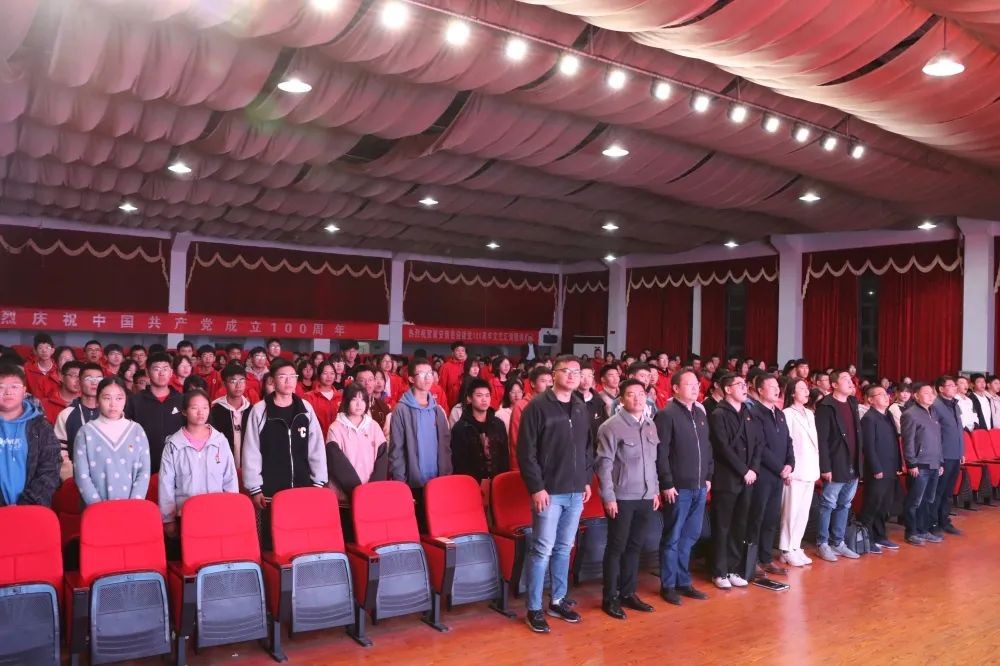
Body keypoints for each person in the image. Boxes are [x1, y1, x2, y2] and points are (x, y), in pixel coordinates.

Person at [518, 355, 593, 633]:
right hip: (549, 492)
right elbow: (526, 452)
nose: (572, 375)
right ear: (554, 374)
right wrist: (536, 487)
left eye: (577, 371)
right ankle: (534, 608)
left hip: (575, 490)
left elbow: (587, 448)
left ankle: (558, 600)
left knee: (564, 548)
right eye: (566, 370)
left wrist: (586, 479)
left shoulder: (580, 406)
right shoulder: (538, 406)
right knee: (542, 550)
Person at [242, 359, 327, 549]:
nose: (288, 381)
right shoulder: (260, 410)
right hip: (270, 491)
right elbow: (251, 450)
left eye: (292, 376)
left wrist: (318, 481)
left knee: (300, 539)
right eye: (282, 377)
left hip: (302, 488)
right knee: (272, 543)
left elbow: (316, 447)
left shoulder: (305, 408)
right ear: (272, 380)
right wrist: (255, 488)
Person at [595, 379, 659, 619]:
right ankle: (610, 597)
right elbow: (604, 466)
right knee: (616, 547)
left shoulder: (650, 424)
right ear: (621, 399)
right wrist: (608, 497)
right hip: (621, 497)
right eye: (631, 394)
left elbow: (653, 461)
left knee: (635, 546)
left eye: (641, 394)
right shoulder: (610, 427)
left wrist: (655, 490)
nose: (637, 398)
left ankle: (628, 592)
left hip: (646, 495)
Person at [654, 369, 712, 605]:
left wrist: (708, 475)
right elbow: (661, 453)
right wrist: (666, 482)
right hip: (678, 488)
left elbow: (707, 447)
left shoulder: (700, 412)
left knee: (691, 535)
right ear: (676, 388)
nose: (695, 388)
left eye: (697, 384)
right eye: (689, 384)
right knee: (673, 536)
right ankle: (668, 585)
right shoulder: (666, 414)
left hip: (699, 485)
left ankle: (683, 580)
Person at [159, 389, 238, 551]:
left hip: (217, 513)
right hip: (185, 515)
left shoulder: (220, 441)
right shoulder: (174, 445)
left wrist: (231, 510)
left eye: (205, 407)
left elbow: (230, 478)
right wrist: (168, 519)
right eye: (194, 408)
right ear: (184, 411)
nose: (201, 412)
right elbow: (166, 484)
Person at [708, 374, 761, 590]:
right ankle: (719, 571)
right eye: (739, 385)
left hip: (748, 478)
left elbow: (758, 443)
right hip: (727, 478)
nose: (744, 388)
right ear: (727, 389)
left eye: (745, 384)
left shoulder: (748, 412)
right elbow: (722, 447)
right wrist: (743, 470)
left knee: (740, 524)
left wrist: (753, 469)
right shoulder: (718, 414)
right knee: (723, 526)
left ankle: (734, 568)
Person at [73, 376, 151, 505]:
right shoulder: (86, 432)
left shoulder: (137, 430)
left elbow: (143, 472)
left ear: (125, 400)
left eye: (119, 398)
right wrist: (98, 508)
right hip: (96, 510)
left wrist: (133, 505)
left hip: (131, 508)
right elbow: (82, 476)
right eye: (107, 398)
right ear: (97, 400)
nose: (113, 404)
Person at [388, 357, 452, 514]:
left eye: (430, 373)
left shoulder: (437, 410)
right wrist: (401, 484)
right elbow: (397, 450)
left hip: (437, 481)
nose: (428, 377)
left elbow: (445, 448)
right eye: (422, 374)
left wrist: (446, 476)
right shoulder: (401, 410)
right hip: (413, 482)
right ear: (411, 378)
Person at [325, 383, 387, 538]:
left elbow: (382, 459)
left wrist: (370, 491)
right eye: (354, 399)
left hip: (371, 497)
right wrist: (358, 492)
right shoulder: (335, 428)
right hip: (345, 498)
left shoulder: (373, 426)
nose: (359, 404)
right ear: (346, 401)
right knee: (348, 538)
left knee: (370, 538)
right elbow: (337, 463)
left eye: (362, 399)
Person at [748, 373, 795, 576]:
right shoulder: (754, 413)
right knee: (756, 517)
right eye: (772, 386)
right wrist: (780, 468)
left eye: (778, 386)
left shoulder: (780, 413)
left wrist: (790, 464)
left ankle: (766, 558)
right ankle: (752, 561)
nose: (777, 390)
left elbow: (788, 441)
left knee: (771, 518)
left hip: (778, 475)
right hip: (763, 474)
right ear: (760, 390)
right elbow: (760, 446)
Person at [813, 369, 862, 562]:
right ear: (834, 385)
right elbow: (822, 440)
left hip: (853, 462)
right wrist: (825, 467)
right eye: (845, 379)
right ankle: (822, 543)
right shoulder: (826, 406)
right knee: (828, 504)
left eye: (851, 379)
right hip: (836, 462)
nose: (851, 382)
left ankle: (838, 541)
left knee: (845, 504)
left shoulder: (852, 402)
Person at [0, 364, 60, 507]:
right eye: (1, 387)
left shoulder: (41, 426)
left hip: (32, 509)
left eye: (14, 386)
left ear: (24, 391)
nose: (8, 392)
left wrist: (26, 504)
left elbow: (50, 469)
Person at [779, 378, 819, 566]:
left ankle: (795, 545)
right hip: (795, 470)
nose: (806, 391)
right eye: (801, 388)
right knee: (791, 512)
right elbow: (785, 444)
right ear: (792, 393)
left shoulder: (810, 413)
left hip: (810, 469)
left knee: (803, 512)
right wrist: (787, 469)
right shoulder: (787, 414)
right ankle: (785, 548)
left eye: (806, 388)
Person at [859, 385, 902, 553]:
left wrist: (898, 464)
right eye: (881, 394)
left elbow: (894, 442)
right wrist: (876, 468)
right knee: (872, 504)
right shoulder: (869, 418)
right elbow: (868, 447)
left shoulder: (888, 415)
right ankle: (866, 538)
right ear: (870, 400)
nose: (886, 397)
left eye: (886, 394)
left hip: (890, 467)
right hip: (877, 469)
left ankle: (880, 536)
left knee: (885, 505)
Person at [125, 352, 184, 474]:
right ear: (147, 373)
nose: (161, 373)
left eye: (165, 369)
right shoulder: (134, 402)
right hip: (144, 467)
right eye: (156, 369)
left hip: (178, 466)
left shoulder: (182, 400)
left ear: (171, 372)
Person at [901, 383, 945, 546]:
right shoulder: (910, 414)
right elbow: (908, 441)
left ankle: (923, 530)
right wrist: (911, 463)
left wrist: (940, 461)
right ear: (916, 396)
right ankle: (911, 532)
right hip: (919, 465)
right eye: (926, 393)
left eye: (932, 393)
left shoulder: (934, 412)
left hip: (934, 463)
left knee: (928, 500)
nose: (931, 395)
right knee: (915, 501)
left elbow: (938, 440)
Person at [450, 377, 509, 485]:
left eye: (487, 395)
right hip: (470, 484)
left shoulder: (498, 424)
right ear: (469, 398)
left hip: (497, 482)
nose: (484, 399)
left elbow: (504, 456)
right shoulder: (460, 428)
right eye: (479, 395)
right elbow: (459, 463)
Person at [54, 363, 104, 480]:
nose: (94, 383)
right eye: (89, 378)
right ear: (79, 382)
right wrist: (68, 476)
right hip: (75, 479)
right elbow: (60, 449)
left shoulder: (110, 413)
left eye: (99, 379)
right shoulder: (66, 414)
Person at [930, 376, 964, 537]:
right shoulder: (936, 406)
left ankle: (944, 521)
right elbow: (935, 434)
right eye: (950, 385)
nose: (954, 387)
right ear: (941, 389)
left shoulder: (955, 404)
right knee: (938, 491)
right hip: (943, 455)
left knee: (948, 491)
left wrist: (961, 452)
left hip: (955, 454)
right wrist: (939, 458)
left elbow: (959, 431)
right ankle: (933, 522)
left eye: (954, 385)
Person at [507, 366, 553, 468]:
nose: (548, 385)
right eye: (543, 381)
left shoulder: (553, 405)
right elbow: (516, 440)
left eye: (550, 381)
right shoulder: (521, 406)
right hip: (526, 464)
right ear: (532, 383)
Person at [209, 364, 253, 469]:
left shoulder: (252, 410)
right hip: (221, 465)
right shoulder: (215, 410)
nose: (238, 385)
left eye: (242, 380)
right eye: (233, 381)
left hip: (248, 466)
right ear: (224, 384)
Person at [304, 361, 341, 437]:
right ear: (319, 375)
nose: (329, 376)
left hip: (337, 439)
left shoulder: (341, 397)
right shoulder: (309, 397)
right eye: (325, 373)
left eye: (332, 373)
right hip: (317, 439)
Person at [41, 360, 81, 425]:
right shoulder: (45, 404)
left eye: (81, 376)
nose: (78, 380)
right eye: (74, 375)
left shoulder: (87, 403)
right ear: (61, 377)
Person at [24, 333, 60, 400]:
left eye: (47, 347)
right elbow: (25, 391)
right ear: (35, 351)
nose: (44, 351)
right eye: (40, 348)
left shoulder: (59, 368)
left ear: (52, 350)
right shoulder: (27, 369)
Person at [439, 341, 467, 409]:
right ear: (453, 352)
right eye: (458, 350)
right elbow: (442, 387)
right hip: (451, 402)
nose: (460, 353)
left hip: (466, 402)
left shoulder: (468, 365)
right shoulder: (446, 367)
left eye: (463, 350)